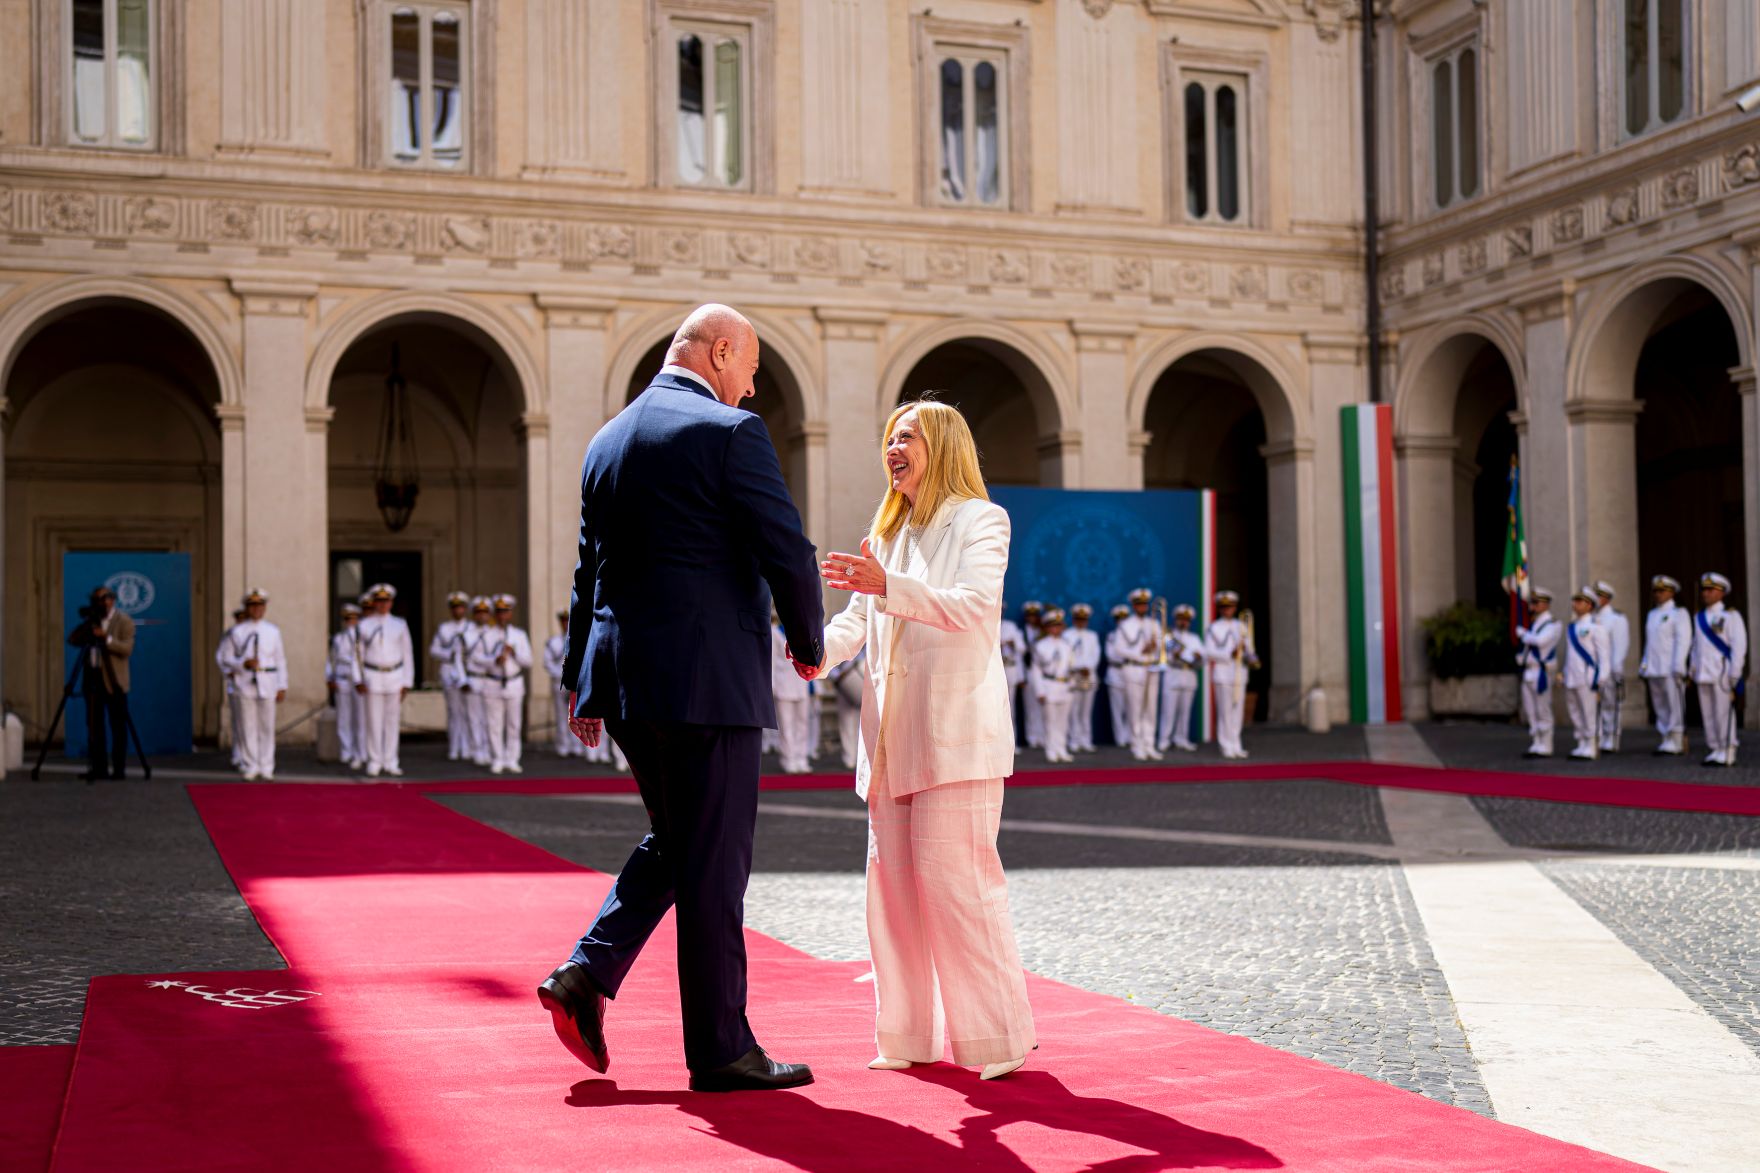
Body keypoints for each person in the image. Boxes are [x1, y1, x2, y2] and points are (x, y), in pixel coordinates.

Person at [542, 304, 823, 1093]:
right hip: (709, 685)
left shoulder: (608, 439)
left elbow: (586, 570)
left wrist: (579, 680)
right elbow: (788, 550)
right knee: (715, 866)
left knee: (680, 840)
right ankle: (722, 1049)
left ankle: (585, 976)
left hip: (628, 684)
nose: (754, 383)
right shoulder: (731, 433)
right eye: (753, 366)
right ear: (721, 351)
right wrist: (808, 642)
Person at [814, 398, 1036, 1082]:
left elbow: (972, 606)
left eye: (906, 435)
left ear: (941, 444)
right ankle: (907, 1033)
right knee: (894, 892)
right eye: (888, 437)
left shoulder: (981, 519)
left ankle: (998, 1037)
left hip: (954, 736)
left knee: (960, 886)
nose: (893, 447)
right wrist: (810, 654)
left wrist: (891, 585)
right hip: (891, 741)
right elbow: (855, 621)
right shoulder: (886, 531)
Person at [216, 589, 287, 781]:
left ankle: (267, 764)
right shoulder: (237, 632)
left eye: (260, 605)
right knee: (247, 725)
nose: (257, 609)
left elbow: (280, 660)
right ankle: (251, 763)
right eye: (253, 605)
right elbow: (225, 657)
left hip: (267, 681)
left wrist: (282, 685)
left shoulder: (273, 631)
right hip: (245, 681)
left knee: (266, 726)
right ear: (247, 608)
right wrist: (242, 664)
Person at [67, 585, 134, 781]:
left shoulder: (124, 621)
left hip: (115, 682)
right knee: (95, 727)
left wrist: (106, 638)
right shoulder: (92, 621)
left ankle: (119, 769)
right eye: (97, 600)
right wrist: (88, 626)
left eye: (104, 599)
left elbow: (126, 649)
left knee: (118, 727)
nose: (101, 603)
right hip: (93, 682)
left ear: (112, 600)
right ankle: (99, 767)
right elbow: (72, 640)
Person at [351, 582, 414, 778]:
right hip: (372, 675)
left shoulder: (399, 624)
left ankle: (391, 760)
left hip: (394, 675)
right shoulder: (363, 625)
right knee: (373, 720)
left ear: (391, 603)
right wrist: (357, 678)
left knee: (392, 721)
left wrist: (407, 682)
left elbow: (407, 654)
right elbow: (357, 655)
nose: (382, 604)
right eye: (379, 601)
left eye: (386, 601)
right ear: (374, 602)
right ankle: (374, 760)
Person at [1690, 572, 1747, 767]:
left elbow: (1739, 646)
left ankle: (1728, 748)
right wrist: (1693, 666)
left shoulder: (1730, 615)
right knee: (1708, 713)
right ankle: (1715, 748)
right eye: (1704, 590)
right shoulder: (1699, 617)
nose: (1706, 593)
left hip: (1722, 672)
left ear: (1721, 592)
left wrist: (1735, 673)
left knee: (1723, 712)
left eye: (1711, 590)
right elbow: (1695, 645)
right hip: (1703, 672)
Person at [1640, 575, 1692, 756]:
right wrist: (1645, 664)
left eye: (1662, 591)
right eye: (1655, 591)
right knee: (1660, 705)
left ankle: (1677, 739)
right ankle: (1665, 737)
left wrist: (1679, 664)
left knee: (1674, 704)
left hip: (1671, 668)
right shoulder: (1652, 614)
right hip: (1654, 667)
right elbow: (1650, 643)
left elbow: (1683, 640)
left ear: (1671, 592)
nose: (1658, 594)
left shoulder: (1679, 613)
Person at [1204, 590, 1257, 760]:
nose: (1227, 610)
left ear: (1234, 608)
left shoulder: (1240, 626)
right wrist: (1229, 653)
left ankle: (1236, 743)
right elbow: (1209, 651)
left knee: (1237, 710)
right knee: (1225, 711)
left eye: (1230, 607)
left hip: (1239, 673)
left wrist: (1250, 656)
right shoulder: (1214, 627)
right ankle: (1226, 744)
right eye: (1224, 607)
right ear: (1220, 609)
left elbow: (1250, 648)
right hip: (1223, 673)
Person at [1562, 587, 1612, 761]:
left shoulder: (1596, 627)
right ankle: (1581, 742)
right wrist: (1564, 674)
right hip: (1572, 676)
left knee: (1588, 712)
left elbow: (1604, 656)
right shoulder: (1572, 627)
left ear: (1589, 605)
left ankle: (1591, 744)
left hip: (1587, 677)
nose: (1575, 604)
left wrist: (1602, 677)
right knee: (1575, 712)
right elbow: (1570, 655)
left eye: (1580, 601)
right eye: (1575, 601)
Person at [1115, 588, 1162, 760]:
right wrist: (1140, 652)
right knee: (1135, 708)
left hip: (1152, 668)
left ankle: (1149, 744)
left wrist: (1155, 650)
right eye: (1139, 605)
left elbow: (1164, 648)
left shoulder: (1154, 624)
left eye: (1144, 604)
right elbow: (1118, 649)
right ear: (1134, 606)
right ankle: (1137, 744)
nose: (1142, 607)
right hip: (1134, 668)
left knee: (1151, 708)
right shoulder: (1125, 625)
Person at [1514, 589, 1561, 758]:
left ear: (1546, 604)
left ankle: (1546, 744)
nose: (1533, 606)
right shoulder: (1533, 624)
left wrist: (1524, 634)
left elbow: (1540, 641)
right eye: (1532, 603)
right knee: (1530, 710)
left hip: (1541, 672)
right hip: (1528, 671)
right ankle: (1536, 741)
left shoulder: (1553, 624)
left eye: (1537, 603)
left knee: (1543, 709)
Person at [431, 591, 474, 762]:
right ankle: (455, 747)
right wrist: (449, 653)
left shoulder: (470, 628)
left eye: (461, 607)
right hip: (449, 671)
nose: (458, 610)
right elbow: (433, 650)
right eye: (455, 607)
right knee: (454, 711)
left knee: (467, 711)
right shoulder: (444, 628)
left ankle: (467, 746)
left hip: (466, 670)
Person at [770, 614, 813, 773]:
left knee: (803, 723)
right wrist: (772, 685)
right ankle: (788, 758)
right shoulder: (774, 632)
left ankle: (801, 757)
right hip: (783, 685)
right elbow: (772, 661)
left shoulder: (802, 632)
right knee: (786, 725)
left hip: (801, 684)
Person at [1159, 604, 1204, 752]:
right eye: (1180, 619)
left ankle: (1181, 739)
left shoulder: (1194, 638)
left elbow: (1202, 659)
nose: (1183, 622)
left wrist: (1196, 658)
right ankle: (1164, 739)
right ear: (1176, 620)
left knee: (1185, 711)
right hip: (1173, 673)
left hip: (1189, 675)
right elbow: (1165, 656)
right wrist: (1177, 656)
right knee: (1169, 710)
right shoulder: (1169, 637)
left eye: (1186, 620)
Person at [1592, 581, 1630, 754]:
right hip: (1594, 670)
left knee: (1611, 704)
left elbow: (1620, 645)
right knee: (1596, 706)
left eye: (1598, 596)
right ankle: (1600, 736)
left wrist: (1616, 668)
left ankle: (1612, 736)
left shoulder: (1617, 618)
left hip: (1610, 669)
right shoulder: (1591, 618)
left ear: (1606, 598)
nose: (1595, 599)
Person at [1034, 608, 1075, 764]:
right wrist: (1040, 691)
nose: (1056, 629)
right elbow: (1036, 670)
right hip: (1049, 685)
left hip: (1065, 686)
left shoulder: (1067, 645)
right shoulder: (1040, 645)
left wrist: (1072, 686)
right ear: (1047, 627)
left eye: (1059, 625)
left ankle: (1061, 749)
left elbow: (1071, 667)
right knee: (1050, 721)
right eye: (1053, 625)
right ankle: (1051, 750)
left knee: (1063, 721)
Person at [326, 603, 365, 769]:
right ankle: (346, 751)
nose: (350, 622)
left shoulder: (362, 637)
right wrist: (329, 677)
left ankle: (360, 752)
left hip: (357, 680)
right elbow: (331, 659)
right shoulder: (338, 638)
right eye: (347, 619)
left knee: (360, 718)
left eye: (353, 619)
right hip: (342, 678)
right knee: (344, 717)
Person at [1063, 603, 1101, 753]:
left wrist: (1088, 667)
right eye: (1078, 619)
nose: (1081, 622)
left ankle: (1086, 740)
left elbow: (1096, 654)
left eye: (1083, 619)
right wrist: (1078, 667)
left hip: (1089, 675)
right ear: (1073, 619)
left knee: (1086, 710)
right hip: (1074, 676)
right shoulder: (1067, 635)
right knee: (1074, 709)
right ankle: (1074, 740)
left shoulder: (1092, 635)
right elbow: (1067, 656)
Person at [544, 610, 582, 759]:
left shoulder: (581, 639)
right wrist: (562, 677)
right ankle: (563, 746)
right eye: (564, 621)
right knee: (561, 716)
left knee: (577, 716)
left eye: (569, 620)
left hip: (576, 684)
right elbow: (547, 662)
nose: (566, 624)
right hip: (559, 682)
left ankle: (576, 745)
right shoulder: (553, 642)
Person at [218, 606, 248, 771]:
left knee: (249, 724)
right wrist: (228, 672)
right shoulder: (231, 635)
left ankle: (248, 757)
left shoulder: (256, 633)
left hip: (252, 683)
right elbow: (221, 657)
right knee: (238, 721)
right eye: (239, 618)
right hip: (236, 683)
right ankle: (238, 754)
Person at [827, 646, 866, 769]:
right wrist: (837, 676)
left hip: (861, 676)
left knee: (864, 724)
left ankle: (862, 758)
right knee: (846, 721)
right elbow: (827, 659)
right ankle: (849, 757)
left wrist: (852, 666)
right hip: (843, 681)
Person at [1019, 601, 1045, 748]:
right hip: (1028, 671)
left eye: (1035, 615)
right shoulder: (1021, 631)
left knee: (1043, 705)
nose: (1032, 618)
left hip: (1043, 672)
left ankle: (1043, 736)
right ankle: (1032, 737)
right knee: (1030, 707)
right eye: (1029, 616)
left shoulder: (1043, 630)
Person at [999, 604, 1026, 744]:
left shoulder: (1011, 627)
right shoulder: (984, 622)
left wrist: (1011, 643)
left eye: (1001, 609)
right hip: (992, 671)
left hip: (1009, 668)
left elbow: (1022, 649)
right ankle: (996, 744)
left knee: (1010, 707)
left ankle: (1010, 743)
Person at [1105, 603, 1130, 747]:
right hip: (1116, 672)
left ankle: (1130, 736)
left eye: (1124, 618)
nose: (1122, 622)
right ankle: (1120, 738)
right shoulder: (1112, 636)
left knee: (1132, 707)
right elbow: (1111, 655)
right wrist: (1128, 656)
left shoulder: (1133, 634)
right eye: (1119, 619)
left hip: (1131, 671)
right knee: (1117, 708)